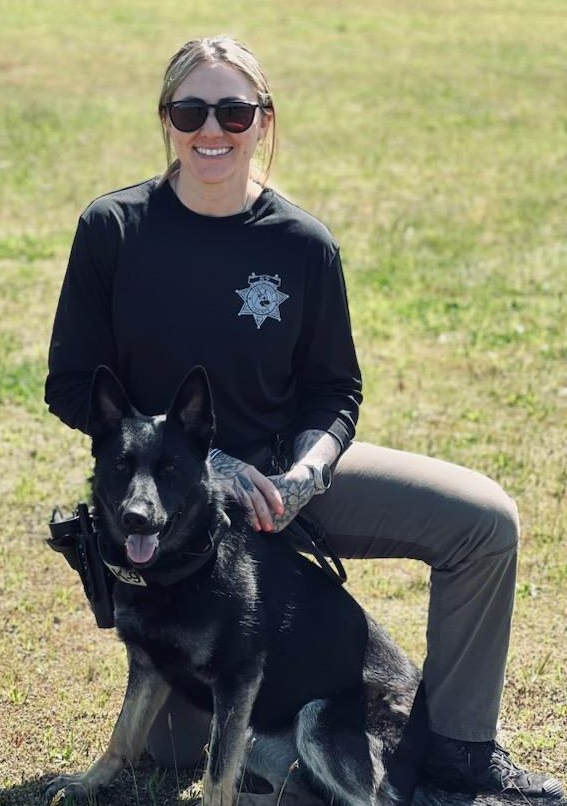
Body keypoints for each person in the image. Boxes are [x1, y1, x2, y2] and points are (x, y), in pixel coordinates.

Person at [44, 35, 562, 800]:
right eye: (191, 110)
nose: (211, 129)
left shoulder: (303, 245)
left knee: (485, 521)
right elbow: (68, 385)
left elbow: (336, 392)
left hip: (287, 481)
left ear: (263, 120)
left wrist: (307, 474)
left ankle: (461, 754)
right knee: (174, 752)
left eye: (234, 110)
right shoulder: (113, 230)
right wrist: (209, 470)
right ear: (166, 119)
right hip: (178, 494)